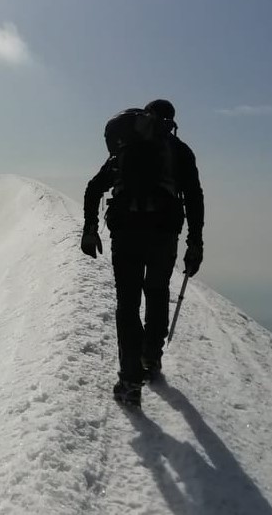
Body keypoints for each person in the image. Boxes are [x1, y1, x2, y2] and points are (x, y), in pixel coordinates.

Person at [81, 99, 204, 407]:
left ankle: (129, 380)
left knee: (128, 302)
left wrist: (90, 229)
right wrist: (195, 241)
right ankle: (152, 357)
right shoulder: (179, 151)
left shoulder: (125, 149)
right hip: (164, 233)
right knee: (158, 292)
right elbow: (194, 197)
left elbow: (94, 188)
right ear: (171, 122)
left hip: (126, 233)